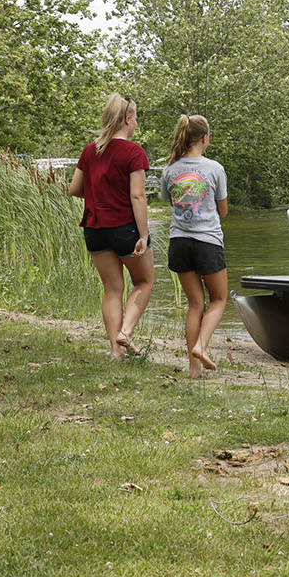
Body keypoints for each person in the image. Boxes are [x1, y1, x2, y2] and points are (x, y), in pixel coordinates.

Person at [69, 94, 155, 360]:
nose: (137, 124)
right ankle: (126, 332)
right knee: (144, 281)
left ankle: (115, 352)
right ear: (127, 119)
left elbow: (75, 189)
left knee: (112, 289)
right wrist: (143, 234)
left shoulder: (90, 150)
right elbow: (138, 196)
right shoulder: (133, 152)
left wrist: (100, 196)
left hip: (94, 229)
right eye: (136, 118)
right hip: (124, 227)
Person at [161, 114, 228, 377]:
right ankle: (201, 346)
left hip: (179, 242)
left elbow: (172, 204)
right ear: (205, 138)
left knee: (195, 304)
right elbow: (222, 211)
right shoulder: (214, 169)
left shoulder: (170, 169)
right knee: (220, 299)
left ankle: (193, 368)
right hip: (208, 242)